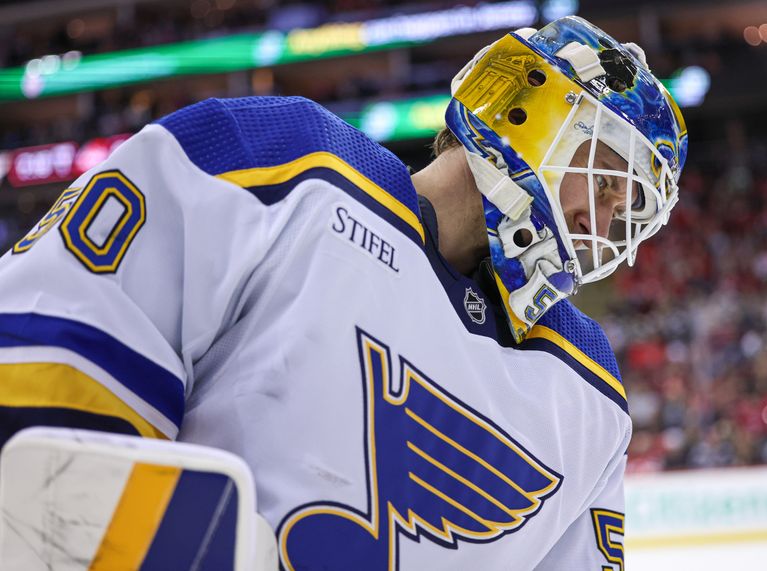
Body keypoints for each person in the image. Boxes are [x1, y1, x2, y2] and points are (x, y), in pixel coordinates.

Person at [0, 16, 686, 570]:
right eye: (601, 179)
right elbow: (47, 418)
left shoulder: (589, 389)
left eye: (627, 209)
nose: (603, 222)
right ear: (524, 112)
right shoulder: (278, 163)